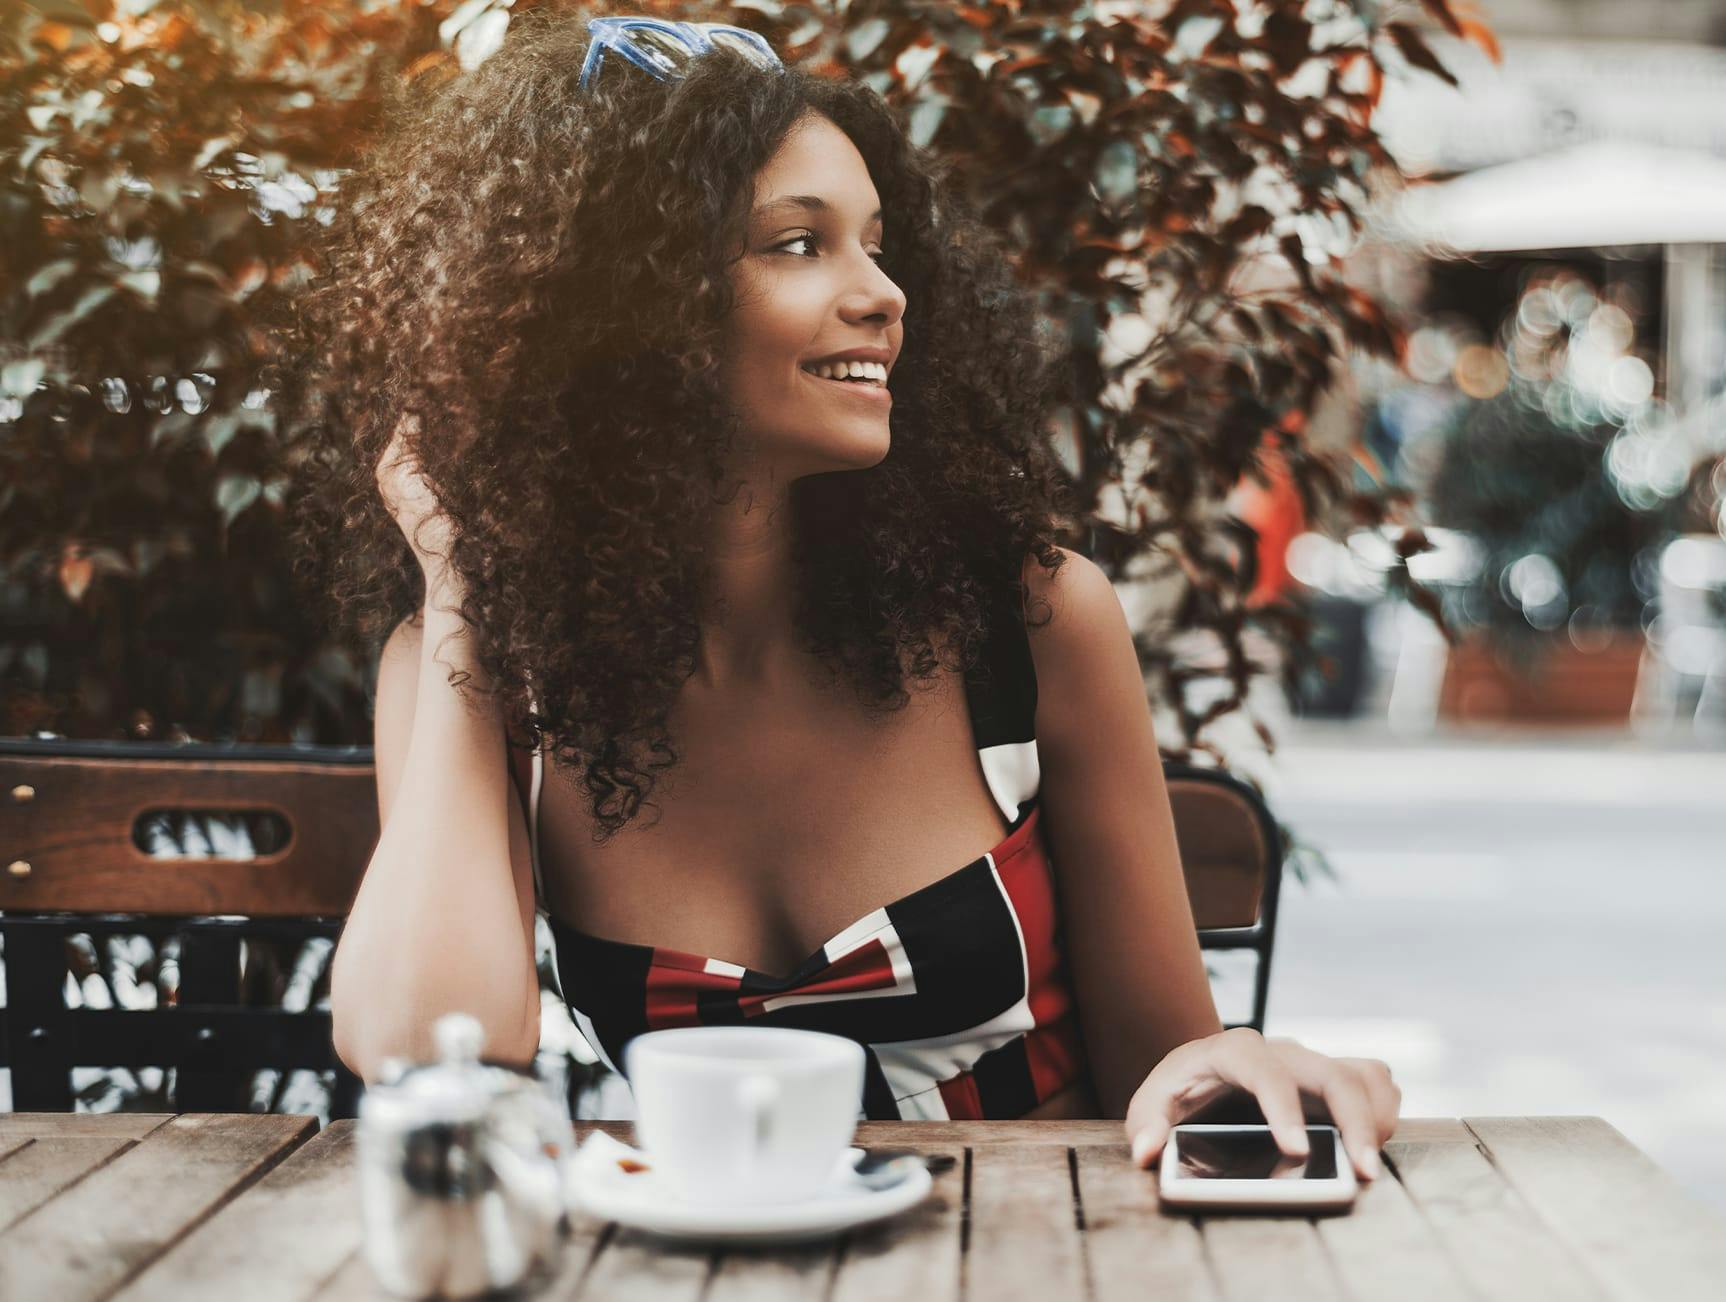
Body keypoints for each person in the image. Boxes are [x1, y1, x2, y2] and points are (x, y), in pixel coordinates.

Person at [287, 10, 1399, 1180]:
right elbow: (421, 1051)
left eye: (875, 244)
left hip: (1033, 1260)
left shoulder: (1023, 626)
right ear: (621, 308)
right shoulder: (479, 666)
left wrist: (1247, 1067)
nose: (882, 295)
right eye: (796, 244)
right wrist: (465, 590)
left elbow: (1164, 1067)